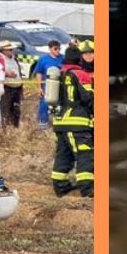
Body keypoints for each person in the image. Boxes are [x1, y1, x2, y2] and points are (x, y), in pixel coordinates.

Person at [50, 41, 95, 197]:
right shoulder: (80, 74)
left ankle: (60, 185)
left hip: (60, 122)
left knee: (64, 154)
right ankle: (88, 188)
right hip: (77, 123)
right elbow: (89, 98)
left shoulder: (59, 73)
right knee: (84, 154)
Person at [32, 40, 64, 125]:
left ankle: (59, 124)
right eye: (55, 49)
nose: (57, 51)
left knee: (60, 105)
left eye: (59, 49)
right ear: (50, 49)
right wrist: (39, 88)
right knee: (44, 105)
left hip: (60, 86)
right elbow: (38, 73)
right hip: (47, 86)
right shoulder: (43, 59)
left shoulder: (63, 58)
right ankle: (43, 123)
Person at [0, 40, 26, 128]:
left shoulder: (14, 58)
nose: (11, 51)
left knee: (16, 109)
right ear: (3, 50)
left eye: (11, 49)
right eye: (9, 50)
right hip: (7, 88)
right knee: (6, 109)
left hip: (17, 87)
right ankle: (6, 129)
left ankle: (15, 127)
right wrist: (7, 73)